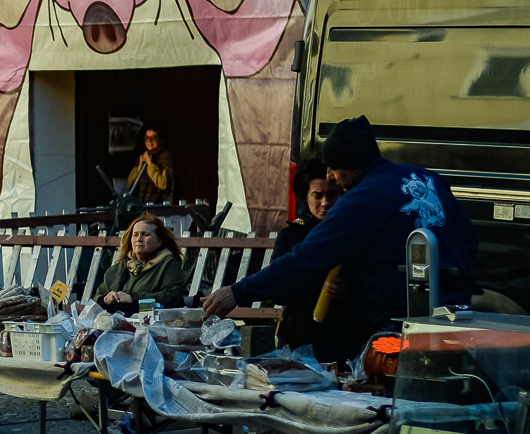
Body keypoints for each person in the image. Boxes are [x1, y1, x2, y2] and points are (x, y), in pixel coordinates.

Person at [204, 117, 479, 357]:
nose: (330, 176)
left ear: (352, 165)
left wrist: (238, 292)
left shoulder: (362, 199)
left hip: (405, 324)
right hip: (459, 316)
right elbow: (469, 240)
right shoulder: (428, 178)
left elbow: (305, 259)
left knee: (402, 403)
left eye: (333, 167)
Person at [270, 160, 361, 355]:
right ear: (306, 197)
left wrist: (347, 288)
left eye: (332, 195)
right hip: (300, 336)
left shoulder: (355, 234)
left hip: (345, 336)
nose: (325, 203)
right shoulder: (291, 236)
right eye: (317, 196)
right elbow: (277, 291)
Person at [96, 212, 189, 311]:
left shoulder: (168, 265)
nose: (139, 239)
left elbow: (172, 298)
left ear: (159, 241)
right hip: (115, 323)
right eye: (135, 235)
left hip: (152, 323)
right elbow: (96, 299)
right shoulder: (119, 268)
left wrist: (134, 298)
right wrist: (106, 299)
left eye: (145, 234)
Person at [125, 125, 176, 207]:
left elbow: (163, 184)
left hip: (159, 206)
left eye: (153, 137)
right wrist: (140, 166)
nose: (149, 140)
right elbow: (130, 182)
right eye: (147, 137)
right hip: (142, 205)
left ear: (160, 139)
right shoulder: (143, 155)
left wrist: (149, 163)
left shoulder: (165, 156)